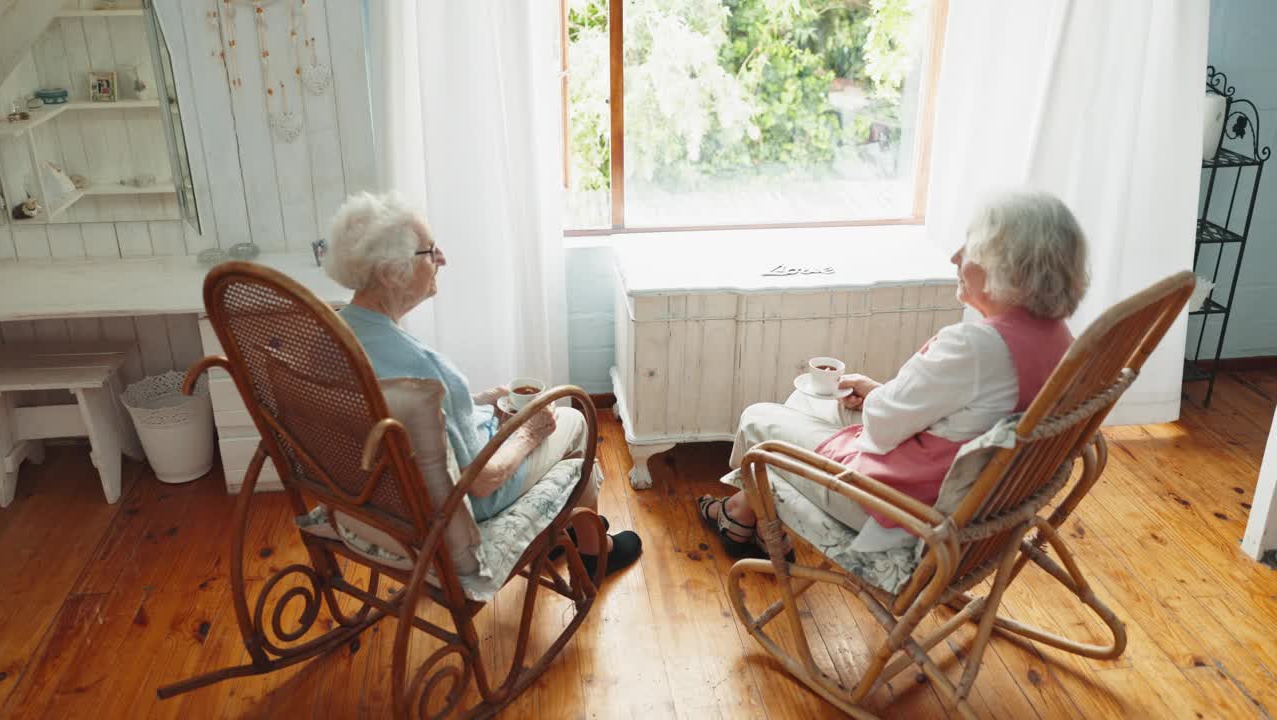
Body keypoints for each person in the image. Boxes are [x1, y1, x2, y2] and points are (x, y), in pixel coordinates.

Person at [698, 190, 1089, 558]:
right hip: (978, 504)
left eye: (970, 249)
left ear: (1006, 268)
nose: (955, 258)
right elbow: (959, 413)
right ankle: (744, 511)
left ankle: (741, 513)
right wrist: (878, 391)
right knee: (807, 400)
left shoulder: (973, 346)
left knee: (755, 419)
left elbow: (883, 428)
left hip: (900, 511)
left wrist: (881, 398)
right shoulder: (1060, 340)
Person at [325, 192, 642, 576]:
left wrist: (474, 402)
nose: (442, 259)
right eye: (430, 251)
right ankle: (592, 551)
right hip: (458, 505)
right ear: (392, 273)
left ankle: (566, 531)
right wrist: (528, 433)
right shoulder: (427, 368)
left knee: (536, 424)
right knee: (572, 419)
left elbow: (401, 410)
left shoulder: (332, 333)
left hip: (375, 496)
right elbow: (483, 482)